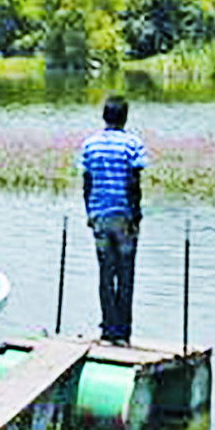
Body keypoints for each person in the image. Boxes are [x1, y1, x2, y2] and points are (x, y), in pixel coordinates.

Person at [80, 94, 147, 347]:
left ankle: (108, 330)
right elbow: (133, 183)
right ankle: (123, 333)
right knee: (126, 273)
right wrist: (135, 215)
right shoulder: (133, 145)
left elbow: (86, 184)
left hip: (99, 217)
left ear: (104, 116)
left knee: (106, 273)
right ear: (125, 117)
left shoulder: (90, 145)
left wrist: (90, 213)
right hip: (124, 217)